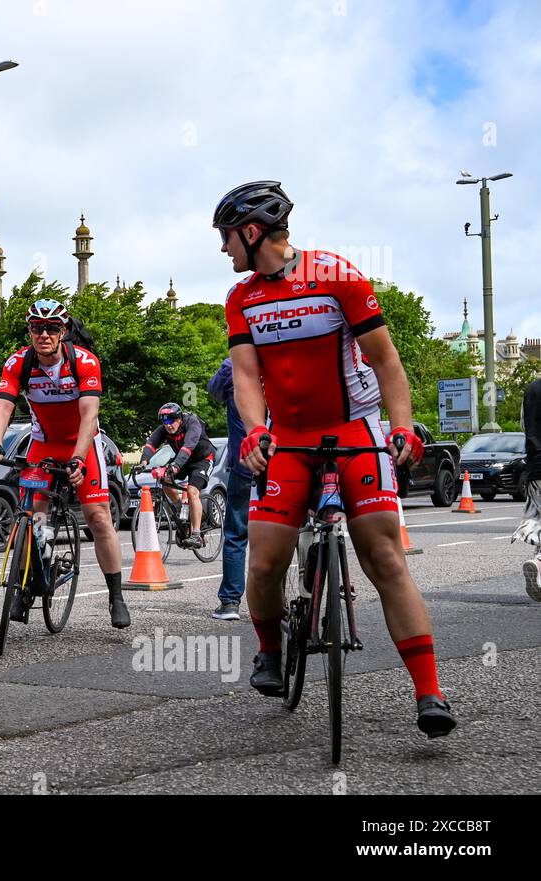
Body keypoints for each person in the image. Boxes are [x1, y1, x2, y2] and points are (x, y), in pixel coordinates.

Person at [219, 180, 455, 737]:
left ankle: (430, 694)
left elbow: (386, 360)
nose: (224, 249)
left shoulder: (338, 277)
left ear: (252, 233)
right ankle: (270, 652)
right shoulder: (242, 299)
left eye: (227, 238)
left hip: (355, 431)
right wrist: (255, 432)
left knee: (386, 556)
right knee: (265, 559)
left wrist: (401, 427)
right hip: (289, 438)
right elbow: (246, 377)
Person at [0, 298, 130, 629]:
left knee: (99, 517)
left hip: (81, 443)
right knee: (31, 518)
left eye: (50, 328)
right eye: (37, 328)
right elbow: (3, 406)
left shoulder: (84, 362)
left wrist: (78, 457)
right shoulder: (19, 362)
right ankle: (25, 587)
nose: (43, 334)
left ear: (63, 331)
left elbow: (90, 416)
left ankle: (115, 596)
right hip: (43, 445)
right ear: (30, 331)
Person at [208, 358, 252, 619]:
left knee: (236, 534)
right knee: (291, 530)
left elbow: (214, 392)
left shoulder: (233, 364)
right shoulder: (282, 356)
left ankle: (230, 602)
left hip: (245, 465)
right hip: (282, 464)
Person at [138, 402, 216, 550]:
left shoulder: (192, 423)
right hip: (184, 460)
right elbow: (151, 444)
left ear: (179, 419)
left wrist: (175, 466)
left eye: (171, 420)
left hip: (203, 459)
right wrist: (143, 462)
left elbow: (188, 447)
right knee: (165, 480)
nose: (168, 425)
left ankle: (196, 535)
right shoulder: (165, 429)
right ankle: (181, 509)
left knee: (192, 491)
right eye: (164, 421)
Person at [513, 376, 541, 601]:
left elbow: (524, 425)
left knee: (538, 519)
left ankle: (538, 569)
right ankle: (539, 564)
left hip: (535, 468)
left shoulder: (531, 388)